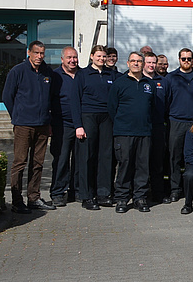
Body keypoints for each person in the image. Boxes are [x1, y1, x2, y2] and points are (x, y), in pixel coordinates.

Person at [2, 40, 57, 213]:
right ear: (29, 52)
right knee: (19, 162)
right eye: (36, 53)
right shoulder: (17, 71)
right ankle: (17, 201)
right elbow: (7, 97)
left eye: (42, 53)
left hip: (42, 125)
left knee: (38, 163)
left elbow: (51, 99)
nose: (39, 56)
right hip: (23, 125)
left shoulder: (47, 72)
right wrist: (18, 117)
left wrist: (48, 121)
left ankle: (33, 197)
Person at [72, 44, 117, 210]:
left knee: (105, 156)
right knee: (87, 157)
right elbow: (75, 101)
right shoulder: (82, 74)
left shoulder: (111, 74)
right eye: (98, 56)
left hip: (106, 118)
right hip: (88, 116)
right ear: (92, 56)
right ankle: (87, 196)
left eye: (104, 56)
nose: (101, 59)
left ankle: (103, 194)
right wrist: (78, 125)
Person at [108, 52, 154, 213]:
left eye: (139, 61)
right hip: (124, 132)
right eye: (133, 61)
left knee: (142, 166)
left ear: (143, 64)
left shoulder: (149, 84)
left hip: (144, 132)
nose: (136, 64)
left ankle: (140, 198)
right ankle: (121, 198)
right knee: (125, 165)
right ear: (127, 63)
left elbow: (153, 108)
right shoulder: (119, 83)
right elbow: (112, 108)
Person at [166, 48, 193, 202]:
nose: (187, 62)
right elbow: (166, 100)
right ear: (179, 60)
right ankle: (175, 190)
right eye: (184, 59)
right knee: (174, 157)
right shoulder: (171, 77)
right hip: (176, 122)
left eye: (189, 59)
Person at [49, 46, 80, 207]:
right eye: (69, 57)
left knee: (79, 159)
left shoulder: (83, 74)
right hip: (62, 124)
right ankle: (57, 192)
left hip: (81, 124)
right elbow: (48, 100)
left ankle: (75, 190)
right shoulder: (55, 76)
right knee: (61, 160)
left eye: (74, 57)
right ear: (62, 59)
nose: (72, 60)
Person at [142, 52, 170, 203]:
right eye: (149, 63)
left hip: (159, 126)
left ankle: (158, 194)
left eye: (154, 63)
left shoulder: (163, 81)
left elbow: (168, 102)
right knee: (142, 161)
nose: (152, 65)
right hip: (143, 126)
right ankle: (143, 194)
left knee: (158, 161)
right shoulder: (139, 80)